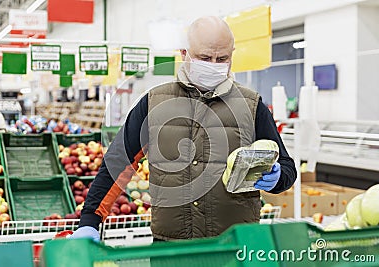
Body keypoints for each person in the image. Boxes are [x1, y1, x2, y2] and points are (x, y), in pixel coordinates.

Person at [71, 16, 296, 242]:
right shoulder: (154, 103)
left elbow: (287, 168)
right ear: (184, 53)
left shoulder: (251, 106)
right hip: (170, 247)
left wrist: (277, 177)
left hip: (234, 245)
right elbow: (119, 161)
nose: (214, 65)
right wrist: (90, 221)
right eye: (205, 57)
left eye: (222, 58)